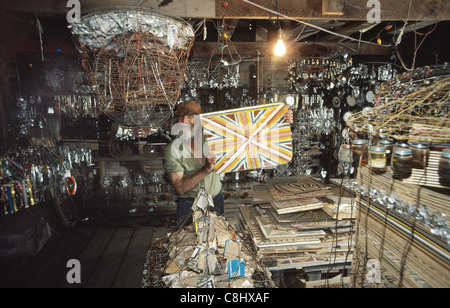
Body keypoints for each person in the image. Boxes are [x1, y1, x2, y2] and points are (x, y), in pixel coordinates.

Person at [164, 101, 294, 226]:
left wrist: (280, 122)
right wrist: (206, 169)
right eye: (180, 117)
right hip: (188, 204)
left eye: (190, 116)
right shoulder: (173, 149)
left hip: (215, 201)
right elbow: (180, 188)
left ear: (199, 120)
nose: (184, 121)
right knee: (186, 244)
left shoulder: (215, 137)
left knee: (218, 242)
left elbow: (255, 137)